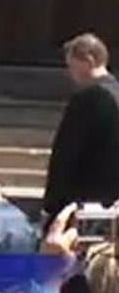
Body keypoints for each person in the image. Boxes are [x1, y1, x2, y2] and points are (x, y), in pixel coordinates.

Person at [43, 33, 119, 217]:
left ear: (88, 61)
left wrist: (52, 205)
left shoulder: (87, 100)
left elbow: (67, 154)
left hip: (85, 200)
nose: (70, 73)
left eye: (72, 66)